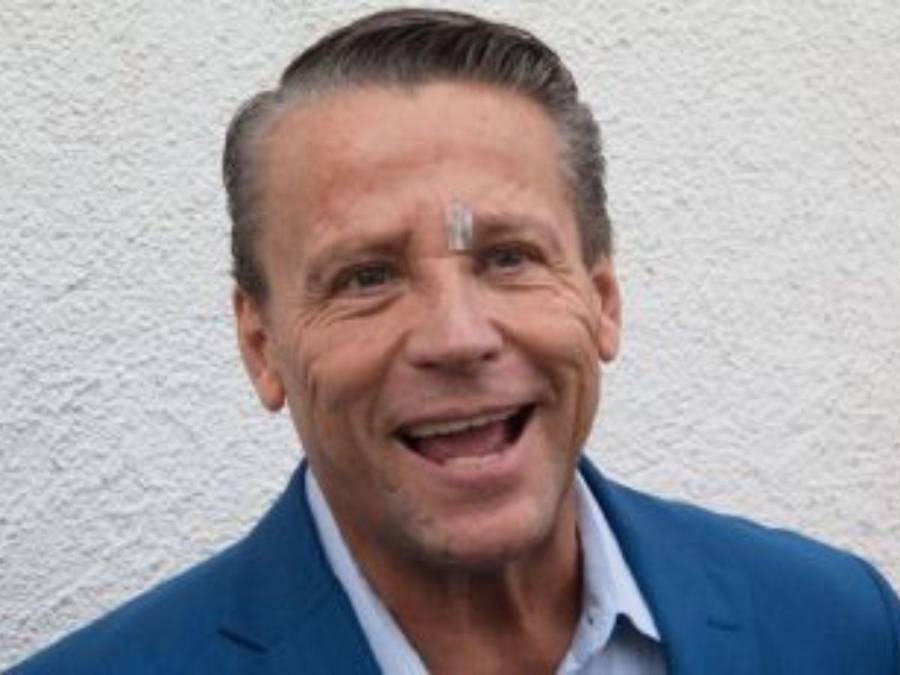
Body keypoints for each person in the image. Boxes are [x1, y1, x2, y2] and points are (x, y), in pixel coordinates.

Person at [11, 8, 898, 675]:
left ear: (602, 301)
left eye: (510, 257)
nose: (458, 337)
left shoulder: (840, 628)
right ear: (261, 345)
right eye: (367, 276)